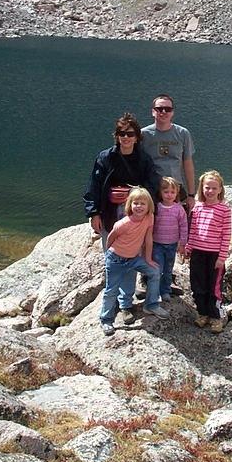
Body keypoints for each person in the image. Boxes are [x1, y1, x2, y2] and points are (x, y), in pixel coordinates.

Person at [84, 113, 160, 325]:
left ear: (137, 137)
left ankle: (125, 304)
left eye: (130, 134)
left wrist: (132, 192)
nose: (125, 137)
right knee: (112, 258)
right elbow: (93, 187)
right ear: (116, 136)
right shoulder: (105, 157)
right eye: (121, 134)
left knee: (129, 258)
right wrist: (93, 212)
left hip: (134, 217)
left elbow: (153, 186)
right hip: (109, 214)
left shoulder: (144, 160)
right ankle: (112, 302)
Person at [99, 187, 169, 336]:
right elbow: (110, 238)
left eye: (143, 203)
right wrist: (109, 257)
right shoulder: (123, 223)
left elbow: (148, 238)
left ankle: (151, 305)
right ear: (130, 205)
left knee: (155, 271)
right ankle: (106, 320)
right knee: (111, 290)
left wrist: (148, 258)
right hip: (116, 259)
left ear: (149, 206)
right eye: (135, 203)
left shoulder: (149, 217)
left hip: (134, 259)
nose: (139, 206)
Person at [185, 170, 232, 334]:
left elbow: (226, 234)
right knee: (197, 284)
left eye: (214, 188)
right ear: (201, 188)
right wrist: (189, 247)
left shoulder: (224, 209)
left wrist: (222, 257)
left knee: (214, 288)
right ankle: (202, 313)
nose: (210, 191)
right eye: (207, 187)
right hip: (197, 253)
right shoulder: (197, 207)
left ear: (220, 189)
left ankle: (216, 317)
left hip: (214, 256)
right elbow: (193, 230)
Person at [141, 94, 196, 213]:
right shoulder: (143, 135)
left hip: (175, 188)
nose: (163, 112)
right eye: (159, 109)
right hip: (152, 188)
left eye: (168, 109)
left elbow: (188, 164)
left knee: (178, 224)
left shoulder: (183, 133)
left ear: (173, 112)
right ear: (153, 112)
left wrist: (191, 194)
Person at [152, 177, 188, 301]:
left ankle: (165, 291)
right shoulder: (157, 207)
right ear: (160, 192)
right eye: (166, 192)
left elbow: (183, 226)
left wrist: (183, 243)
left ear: (177, 193)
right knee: (157, 269)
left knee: (168, 269)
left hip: (172, 245)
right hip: (157, 244)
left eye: (172, 192)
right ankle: (154, 291)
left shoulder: (179, 209)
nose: (169, 195)